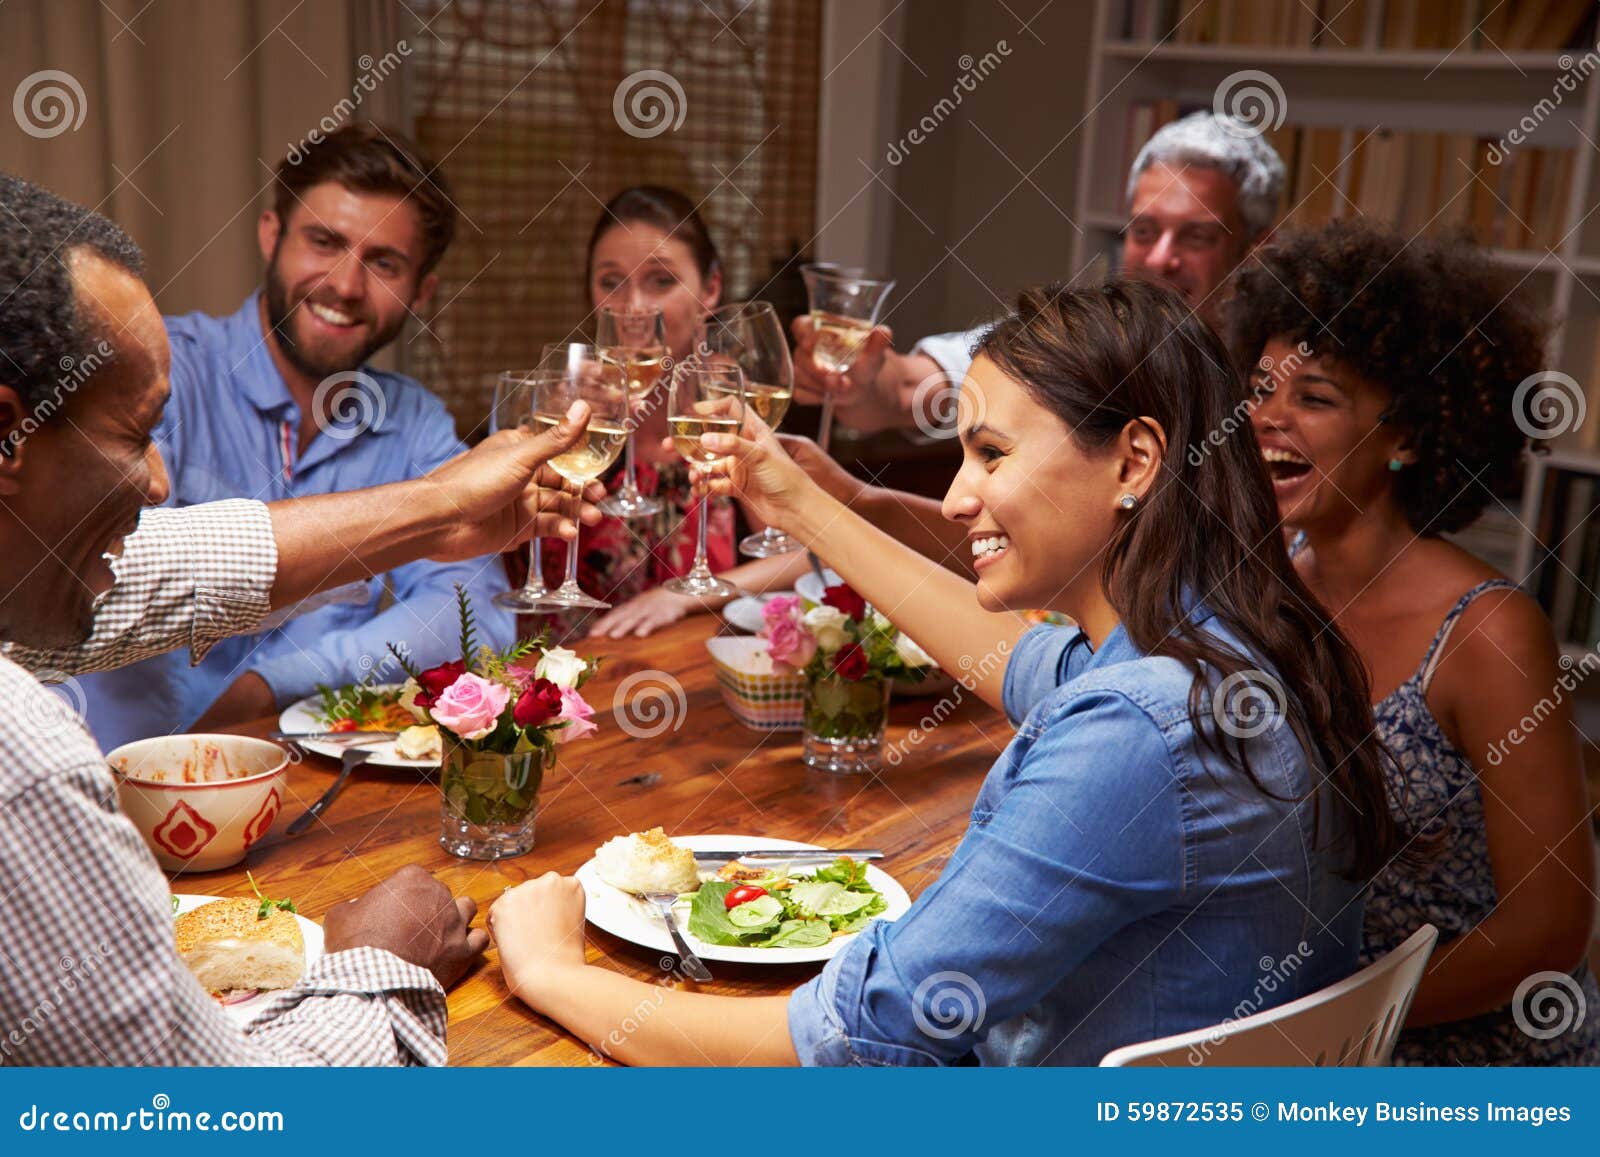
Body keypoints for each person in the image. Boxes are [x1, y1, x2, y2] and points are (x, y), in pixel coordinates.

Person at [490, 279, 1403, 1066]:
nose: (959, 497)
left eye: (992, 453)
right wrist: (800, 505)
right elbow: (1015, 659)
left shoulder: (1138, 731)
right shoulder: (1234, 647)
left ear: (1134, 460)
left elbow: (853, 1040)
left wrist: (551, 972)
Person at [0, 173, 603, 1065]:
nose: (160, 484)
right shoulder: (26, 761)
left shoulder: (411, 415)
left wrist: (437, 511)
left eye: (384, 260)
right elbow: (195, 1114)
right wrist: (379, 966)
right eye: (136, 437)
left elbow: (158, 573)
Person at [1231, 220, 1600, 1065]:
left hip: (1472, 1059)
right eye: (1259, 389)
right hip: (1301, 1031)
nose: (1267, 418)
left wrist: (1327, 1029)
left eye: (1313, 398)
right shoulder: (1267, 588)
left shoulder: (1488, 631)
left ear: (1406, 435)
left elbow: (1550, 928)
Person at [80, 124, 515, 751]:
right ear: (271, 234)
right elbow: (108, 578)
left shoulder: (413, 420)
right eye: (324, 241)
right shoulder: (160, 372)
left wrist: (274, 684)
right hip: (128, 781)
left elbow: (476, 612)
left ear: (421, 293)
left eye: (383, 263)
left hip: (320, 785)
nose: (345, 285)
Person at [796, 111, 1285, 438]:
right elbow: (908, 389)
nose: (1160, 258)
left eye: (1196, 237)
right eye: (1144, 231)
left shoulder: (1289, 377)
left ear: (1254, 251)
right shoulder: (1078, 342)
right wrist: (862, 382)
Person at [566, 186, 805, 639]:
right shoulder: (567, 406)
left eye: (661, 281)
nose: (633, 308)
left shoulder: (730, 406)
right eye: (611, 282)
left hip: (692, 660)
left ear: (710, 289)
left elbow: (799, 555)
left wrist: (682, 596)